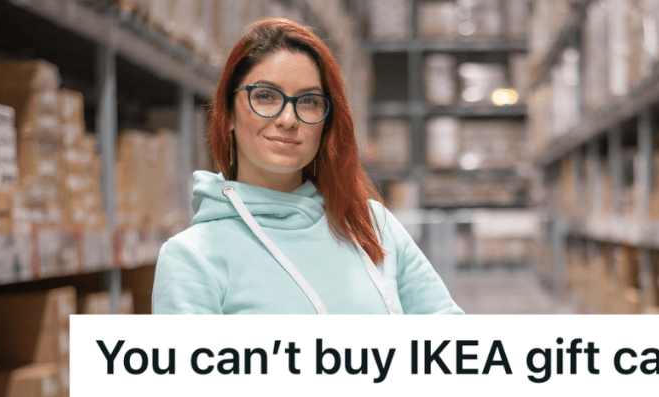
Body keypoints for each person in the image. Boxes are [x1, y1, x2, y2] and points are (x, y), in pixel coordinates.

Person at [152, 18, 463, 315]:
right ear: (229, 114)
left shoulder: (372, 227)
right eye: (265, 96)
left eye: (309, 101)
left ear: (326, 123)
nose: (288, 119)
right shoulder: (192, 258)